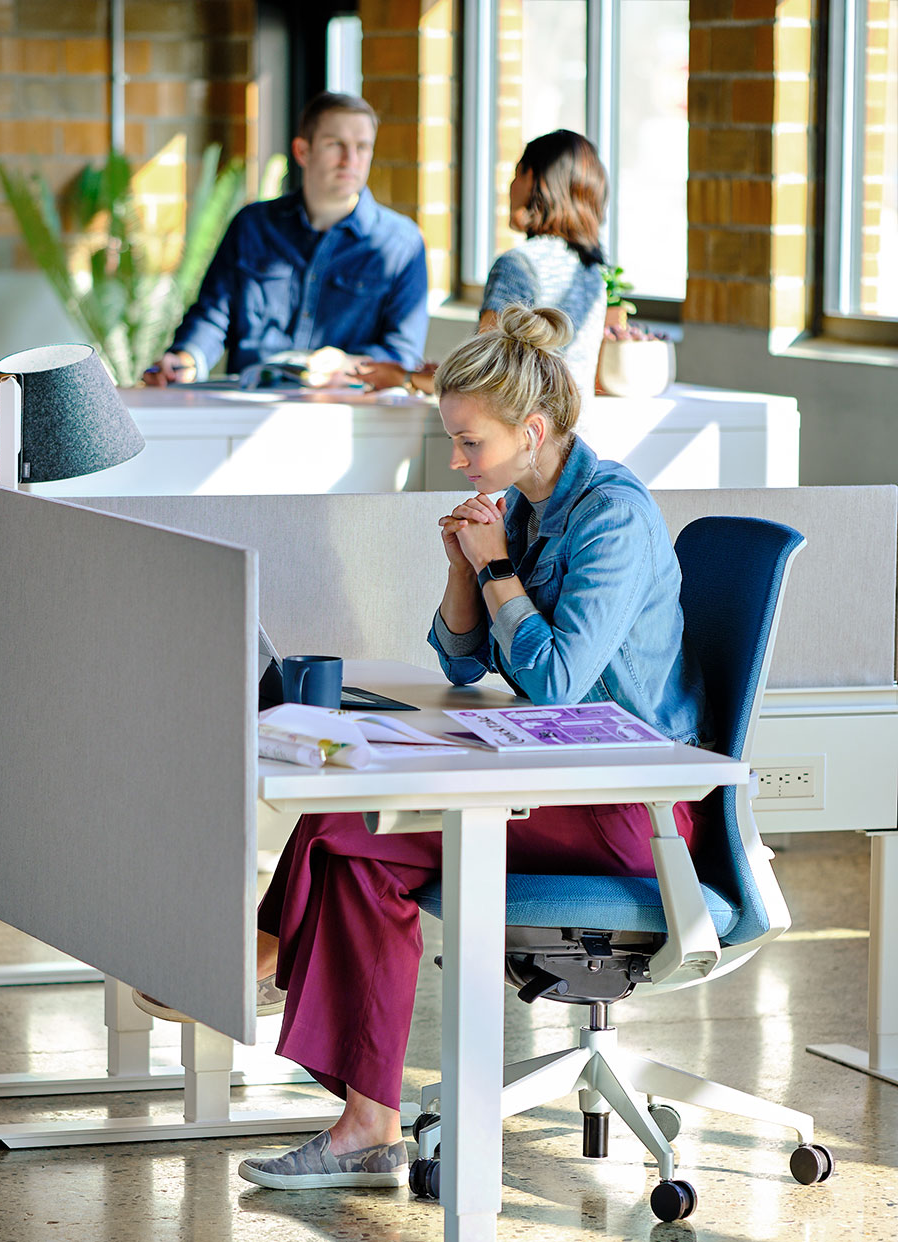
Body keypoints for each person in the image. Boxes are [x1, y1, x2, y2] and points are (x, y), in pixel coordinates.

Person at [229, 304, 713, 1191]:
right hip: (557, 775)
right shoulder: (525, 509)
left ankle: (254, 969)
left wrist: (495, 571)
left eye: (469, 443)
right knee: (353, 837)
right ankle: (360, 1116)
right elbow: (458, 662)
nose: (458, 461)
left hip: (631, 807)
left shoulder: (614, 520)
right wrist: (464, 568)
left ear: (531, 432)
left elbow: (558, 679)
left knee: (353, 828)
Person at [143, 92, 429, 390]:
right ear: (303, 151)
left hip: (347, 414)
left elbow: (402, 354)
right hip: (247, 405)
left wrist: (345, 364)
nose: (351, 160)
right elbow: (213, 316)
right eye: (336, 145)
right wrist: (185, 359)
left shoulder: (402, 244)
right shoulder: (252, 225)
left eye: (363, 147)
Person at [357, 129, 607, 410]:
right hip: (572, 446)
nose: (510, 187)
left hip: (518, 447)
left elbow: (482, 379)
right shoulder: (592, 274)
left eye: (516, 174)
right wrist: (442, 372)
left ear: (534, 180)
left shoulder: (517, 266)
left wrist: (403, 377)